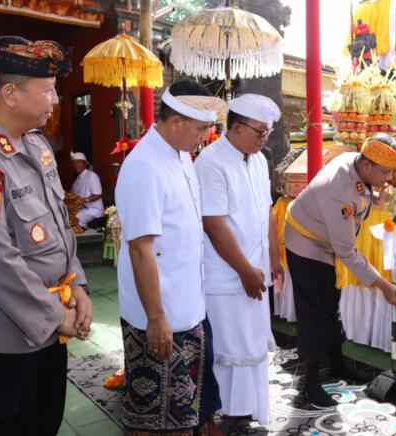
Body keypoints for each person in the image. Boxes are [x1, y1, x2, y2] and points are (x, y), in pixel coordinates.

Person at [0, 35, 92, 435]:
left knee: (44, 424)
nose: (55, 101)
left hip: (48, 333)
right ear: (11, 94)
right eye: (49, 91)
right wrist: (56, 318)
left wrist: (78, 286)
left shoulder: (35, 145)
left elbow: (57, 226)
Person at [115, 80, 226, 436]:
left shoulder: (180, 155)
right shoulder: (145, 166)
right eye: (200, 129)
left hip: (186, 305)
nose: (205, 136)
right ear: (175, 121)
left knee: (184, 410)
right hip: (158, 315)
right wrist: (157, 318)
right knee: (154, 419)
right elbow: (140, 248)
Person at [284, 133, 396, 407]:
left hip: (327, 242)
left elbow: (361, 198)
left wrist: (378, 200)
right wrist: (383, 286)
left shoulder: (356, 165)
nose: (388, 178)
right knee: (313, 312)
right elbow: (346, 251)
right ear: (368, 165)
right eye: (385, 172)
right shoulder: (339, 189)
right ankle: (310, 384)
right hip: (306, 245)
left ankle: (336, 364)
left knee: (331, 304)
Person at [195, 94, 283, 425]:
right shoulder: (212, 162)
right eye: (259, 132)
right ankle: (221, 413)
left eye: (267, 133)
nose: (264, 139)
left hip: (254, 269)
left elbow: (267, 213)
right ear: (235, 127)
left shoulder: (259, 161)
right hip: (227, 274)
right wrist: (245, 270)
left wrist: (274, 257)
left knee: (253, 340)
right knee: (230, 345)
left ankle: (245, 408)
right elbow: (213, 224)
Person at [70, 151, 104, 228]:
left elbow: (98, 194)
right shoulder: (76, 181)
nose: (76, 165)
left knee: (72, 219)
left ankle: (86, 227)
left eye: (79, 162)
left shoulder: (92, 176)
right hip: (83, 209)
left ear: (85, 164)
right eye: (74, 163)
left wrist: (85, 200)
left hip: (94, 211)